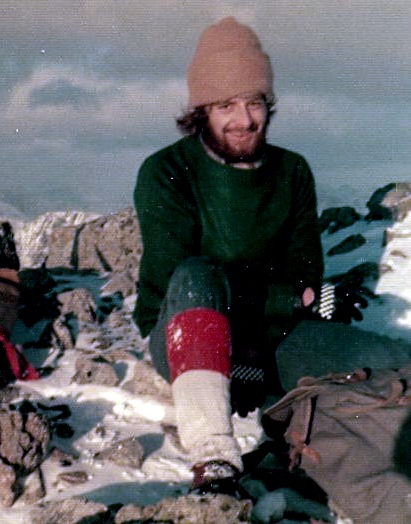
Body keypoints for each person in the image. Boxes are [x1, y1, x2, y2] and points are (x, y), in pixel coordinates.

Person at [133, 17, 367, 496]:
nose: (244, 119)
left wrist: (303, 301)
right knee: (198, 273)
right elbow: (181, 282)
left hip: (271, 339)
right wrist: (298, 300)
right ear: (201, 110)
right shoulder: (166, 172)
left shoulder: (292, 171)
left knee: (382, 356)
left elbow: (307, 273)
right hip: (183, 337)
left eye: (254, 101)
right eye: (225, 105)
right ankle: (215, 458)